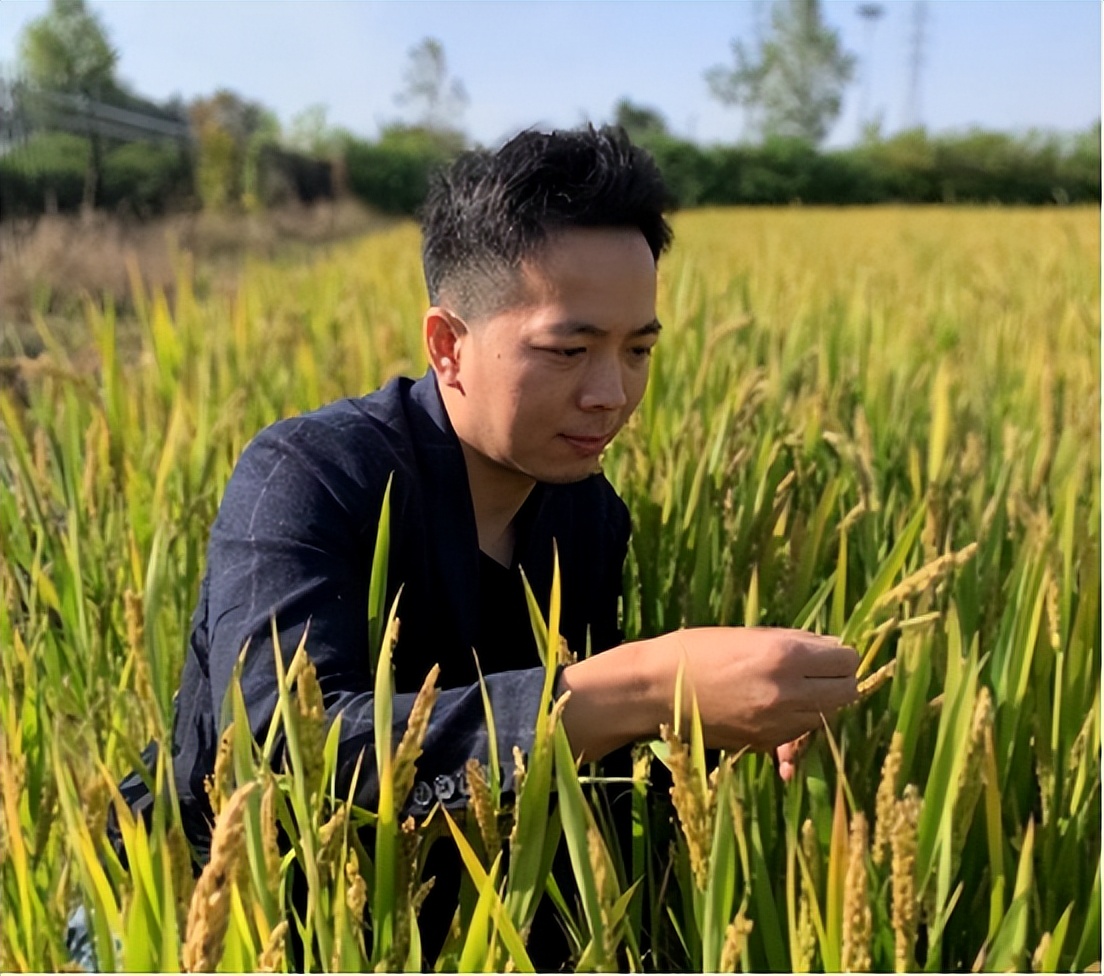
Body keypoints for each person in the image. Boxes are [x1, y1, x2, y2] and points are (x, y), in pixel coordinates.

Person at [106, 125, 858, 966]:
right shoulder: (308, 475)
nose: (612, 394)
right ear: (448, 346)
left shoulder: (589, 514)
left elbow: (568, 755)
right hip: (218, 921)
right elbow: (286, 756)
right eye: (569, 350)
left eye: (639, 350)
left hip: (435, 920)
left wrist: (714, 721)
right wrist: (646, 682)